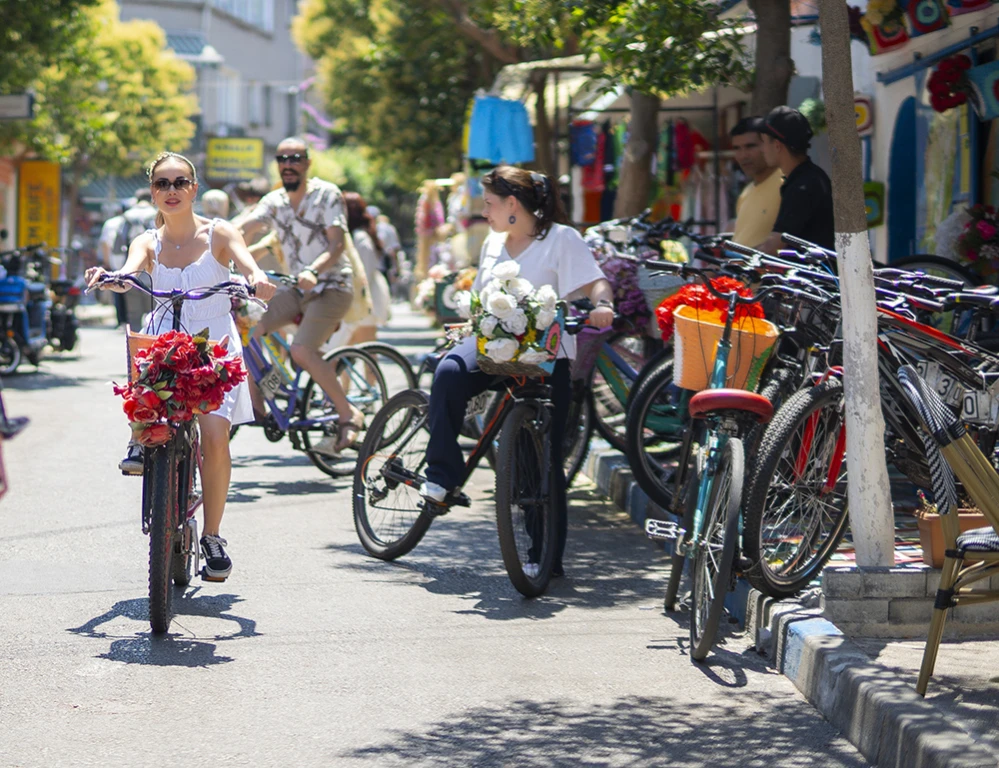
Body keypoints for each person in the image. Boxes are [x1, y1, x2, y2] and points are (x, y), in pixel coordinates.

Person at [85, 151, 276, 580]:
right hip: (165, 340)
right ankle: (140, 440)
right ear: (152, 191)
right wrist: (111, 277)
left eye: (180, 182)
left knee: (214, 437)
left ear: (194, 187)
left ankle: (212, 536)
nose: (171, 191)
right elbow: (129, 271)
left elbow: (248, 265)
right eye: (162, 184)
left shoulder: (220, 233)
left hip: (214, 345)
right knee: (146, 393)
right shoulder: (146, 241)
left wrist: (256, 279)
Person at [421, 165, 615, 577]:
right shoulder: (493, 241)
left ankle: (545, 556)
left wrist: (603, 307)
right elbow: (481, 299)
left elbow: (597, 283)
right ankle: (442, 474)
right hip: (494, 348)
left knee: (542, 461)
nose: (484, 212)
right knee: (449, 372)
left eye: (489, 203)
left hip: (546, 357)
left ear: (513, 204)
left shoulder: (561, 239)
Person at [238, 137, 367, 455]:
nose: (288, 164)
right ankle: (259, 408)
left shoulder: (326, 194)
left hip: (332, 285)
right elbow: (243, 227)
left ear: (308, 162)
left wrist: (313, 270)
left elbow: (336, 244)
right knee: (243, 328)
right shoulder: (275, 201)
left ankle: (349, 413)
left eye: (295, 158)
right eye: (282, 159)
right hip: (296, 287)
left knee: (301, 351)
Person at [755, 106, 835, 254]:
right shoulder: (808, 177)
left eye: (764, 142)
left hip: (815, 274)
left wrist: (730, 260)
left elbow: (774, 246)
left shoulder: (804, 186)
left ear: (777, 145)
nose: (762, 149)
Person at [343, 193, 391, 345]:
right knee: (343, 353)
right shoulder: (354, 236)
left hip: (364, 301)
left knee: (366, 352)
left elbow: (366, 272)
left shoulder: (360, 238)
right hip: (357, 302)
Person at [727, 117, 782, 247]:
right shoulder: (745, 193)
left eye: (750, 146)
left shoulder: (787, 184)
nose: (743, 155)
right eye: (737, 148)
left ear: (771, 145)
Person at [119, 189, 159, 329]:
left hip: (132, 266)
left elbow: (119, 242)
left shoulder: (127, 216)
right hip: (151, 269)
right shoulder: (155, 214)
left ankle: (134, 345)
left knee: (133, 313)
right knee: (154, 314)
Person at [97, 202, 128, 326]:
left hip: (115, 260)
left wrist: (106, 261)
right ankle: (130, 320)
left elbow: (105, 243)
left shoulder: (111, 223)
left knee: (117, 290)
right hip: (129, 259)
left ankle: (121, 320)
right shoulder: (129, 222)